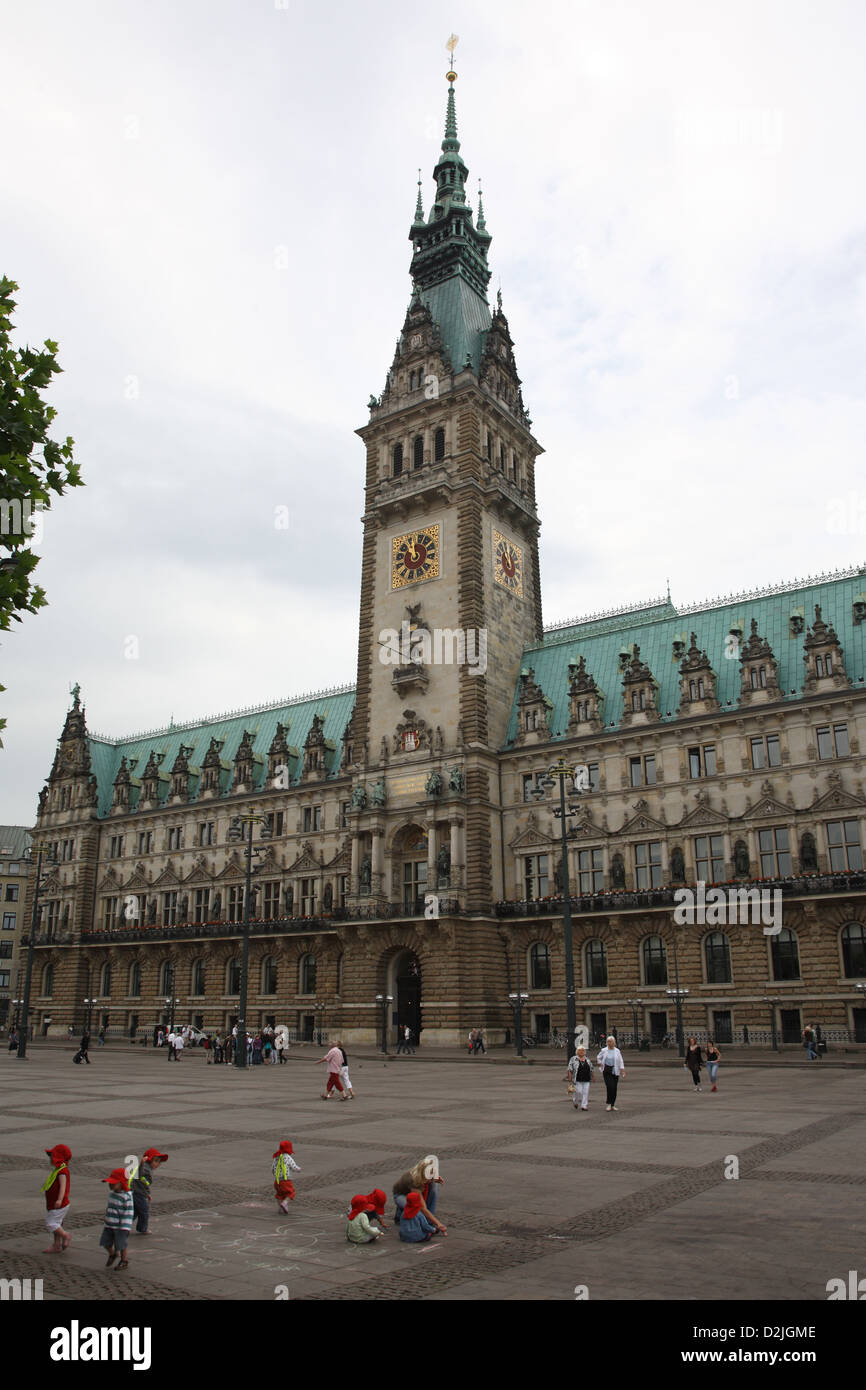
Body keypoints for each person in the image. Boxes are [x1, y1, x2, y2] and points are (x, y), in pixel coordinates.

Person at [393, 1156, 447, 1233]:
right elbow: (422, 1208)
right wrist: (438, 1223)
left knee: (434, 1186)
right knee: (415, 1209)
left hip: (414, 1190)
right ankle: (400, 1214)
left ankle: (428, 1219)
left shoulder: (424, 1173)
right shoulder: (413, 1180)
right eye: (430, 1177)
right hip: (401, 1194)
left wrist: (435, 1178)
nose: (432, 1178)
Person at [99, 1167, 134, 1270]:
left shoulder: (126, 1197)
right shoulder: (112, 1194)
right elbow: (110, 1207)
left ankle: (124, 1261)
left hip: (121, 1227)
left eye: (113, 1183)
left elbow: (128, 1212)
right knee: (105, 1242)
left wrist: (124, 1226)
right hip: (109, 1224)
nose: (110, 1185)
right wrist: (107, 1217)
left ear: (122, 1183)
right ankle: (113, 1254)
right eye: (110, 1183)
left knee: (121, 1245)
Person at [41, 1143, 72, 1253]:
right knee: (57, 1224)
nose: (50, 1159)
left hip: (59, 1204)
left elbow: (63, 1187)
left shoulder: (62, 1171)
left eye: (52, 1156)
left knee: (51, 1223)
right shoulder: (58, 1170)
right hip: (54, 1203)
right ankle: (57, 1244)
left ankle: (66, 1235)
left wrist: (59, 1199)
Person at [132, 1147, 168, 1234]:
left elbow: (143, 1184)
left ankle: (122, 1225)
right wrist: (141, 1164)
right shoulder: (145, 1168)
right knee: (144, 1211)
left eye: (159, 1162)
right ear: (149, 1160)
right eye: (155, 1161)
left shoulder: (149, 1169)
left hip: (139, 1192)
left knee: (135, 1211)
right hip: (138, 1193)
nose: (157, 1164)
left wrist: (147, 1194)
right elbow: (139, 1174)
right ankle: (142, 1228)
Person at [596, 1035, 625, 1111]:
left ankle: (613, 1104)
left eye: (611, 1042)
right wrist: (600, 1063)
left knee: (614, 1088)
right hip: (607, 1070)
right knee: (610, 1086)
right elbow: (598, 1057)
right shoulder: (604, 1050)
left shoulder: (617, 1051)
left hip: (615, 1070)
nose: (609, 1043)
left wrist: (622, 1069)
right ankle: (608, 1104)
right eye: (608, 1041)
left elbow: (620, 1060)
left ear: (614, 1042)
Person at [272, 1139, 301, 1212]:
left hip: (277, 1181)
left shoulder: (276, 1157)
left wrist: (275, 1174)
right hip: (286, 1181)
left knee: (279, 1195)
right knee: (291, 1192)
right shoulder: (288, 1157)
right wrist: (298, 1169)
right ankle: (285, 1203)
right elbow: (293, 1166)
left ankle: (280, 1209)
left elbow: (272, 1168)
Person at [567, 1045, 593, 1111]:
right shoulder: (573, 1059)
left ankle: (584, 1105)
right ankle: (575, 1101)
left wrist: (593, 1076)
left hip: (586, 1078)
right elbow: (570, 1069)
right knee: (578, 1091)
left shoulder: (587, 1059)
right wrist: (570, 1077)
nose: (581, 1052)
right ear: (577, 1052)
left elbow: (591, 1069)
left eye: (583, 1050)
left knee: (585, 1092)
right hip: (577, 1079)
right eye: (580, 1050)